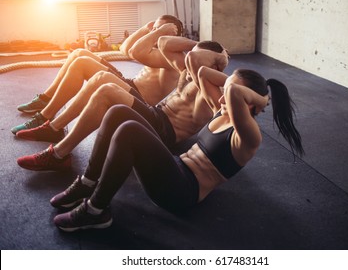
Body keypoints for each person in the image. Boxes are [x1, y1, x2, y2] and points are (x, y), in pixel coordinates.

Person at [50, 67, 304, 232]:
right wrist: (243, 91)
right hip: (174, 167)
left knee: (129, 130)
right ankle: (88, 181)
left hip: (182, 192)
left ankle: (96, 211)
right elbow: (203, 71)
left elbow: (234, 91)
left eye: (226, 94)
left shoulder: (248, 137)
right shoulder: (221, 111)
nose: (219, 97)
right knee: (119, 112)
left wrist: (260, 100)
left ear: (246, 103)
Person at [16, 37, 230, 171]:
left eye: (197, 55)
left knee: (106, 86)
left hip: (164, 132)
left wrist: (216, 56)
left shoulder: (213, 88)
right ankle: (54, 131)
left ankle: (58, 154)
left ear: (213, 63)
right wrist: (200, 45)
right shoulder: (188, 71)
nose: (190, 56)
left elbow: (196, 63)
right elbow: (165, 43)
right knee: (102, 82)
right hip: (154, 115)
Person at [11, 15, 184, 135]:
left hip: (137, 98)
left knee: (82, 64)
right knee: (80, 53)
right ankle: (46, 99)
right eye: (155, 29)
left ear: (174, 34)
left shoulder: (171, 56)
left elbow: (134, 52)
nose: (154, 32)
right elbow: (125, 48)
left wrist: (157, 32)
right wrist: (148, 28)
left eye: (160, 29)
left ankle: (44, 117)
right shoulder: (156, 47)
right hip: (130, 84)